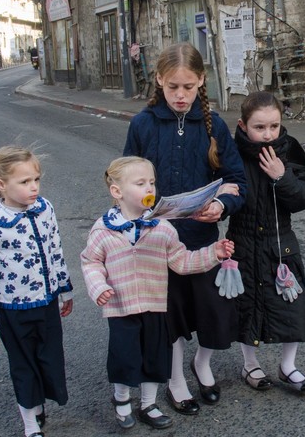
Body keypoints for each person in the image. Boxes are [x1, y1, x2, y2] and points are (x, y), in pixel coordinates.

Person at [123, 42, 247, 415]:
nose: (180, 95)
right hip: (157, 242)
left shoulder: (213, 126)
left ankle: (202, 364)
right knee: (170, 317)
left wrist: (221, 205)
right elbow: (125, 178)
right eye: (173, 86)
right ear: (159, 80)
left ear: (201, 82)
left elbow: (236, 177)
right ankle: (176, 380)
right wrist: (137, 207)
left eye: (188, 87)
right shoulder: (143, 124)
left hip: (201, 240)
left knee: (212, 312)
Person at [80, 156, 235, 430]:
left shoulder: (162, 227)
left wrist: (214, 253)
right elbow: (91, 261)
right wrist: (99, 287)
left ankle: (148, 404)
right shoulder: (103, 229)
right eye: (140, 184)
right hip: (121, 307)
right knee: (125, 359)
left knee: (154, 357)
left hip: (155, 306)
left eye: (152, 182)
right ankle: (122, 399)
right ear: (117, 192)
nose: (149, 189)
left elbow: (182, 261)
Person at [0, 145, 74, 437]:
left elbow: (55, 249)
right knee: (23, 365)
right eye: (24, 182)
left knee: (49, 359)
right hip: (13, 310)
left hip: (47, 303)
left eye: (36, 180)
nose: (33, 187)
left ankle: (39, 404)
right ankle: (30, 423)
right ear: (1, 185)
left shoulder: (45, 208)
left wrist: (64, 289)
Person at [227, 92, 305, 393]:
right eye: (259, 127)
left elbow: (303, 199)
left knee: (291, 307)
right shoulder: (232, 153)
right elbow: (223, 197)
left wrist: (282, 176)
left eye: (274, 126)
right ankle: (249, 363)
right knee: (246, 306)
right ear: (243, 125)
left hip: (281, 247)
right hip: (243, 242)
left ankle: (288, 366)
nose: (268, 134)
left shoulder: (288, 152)